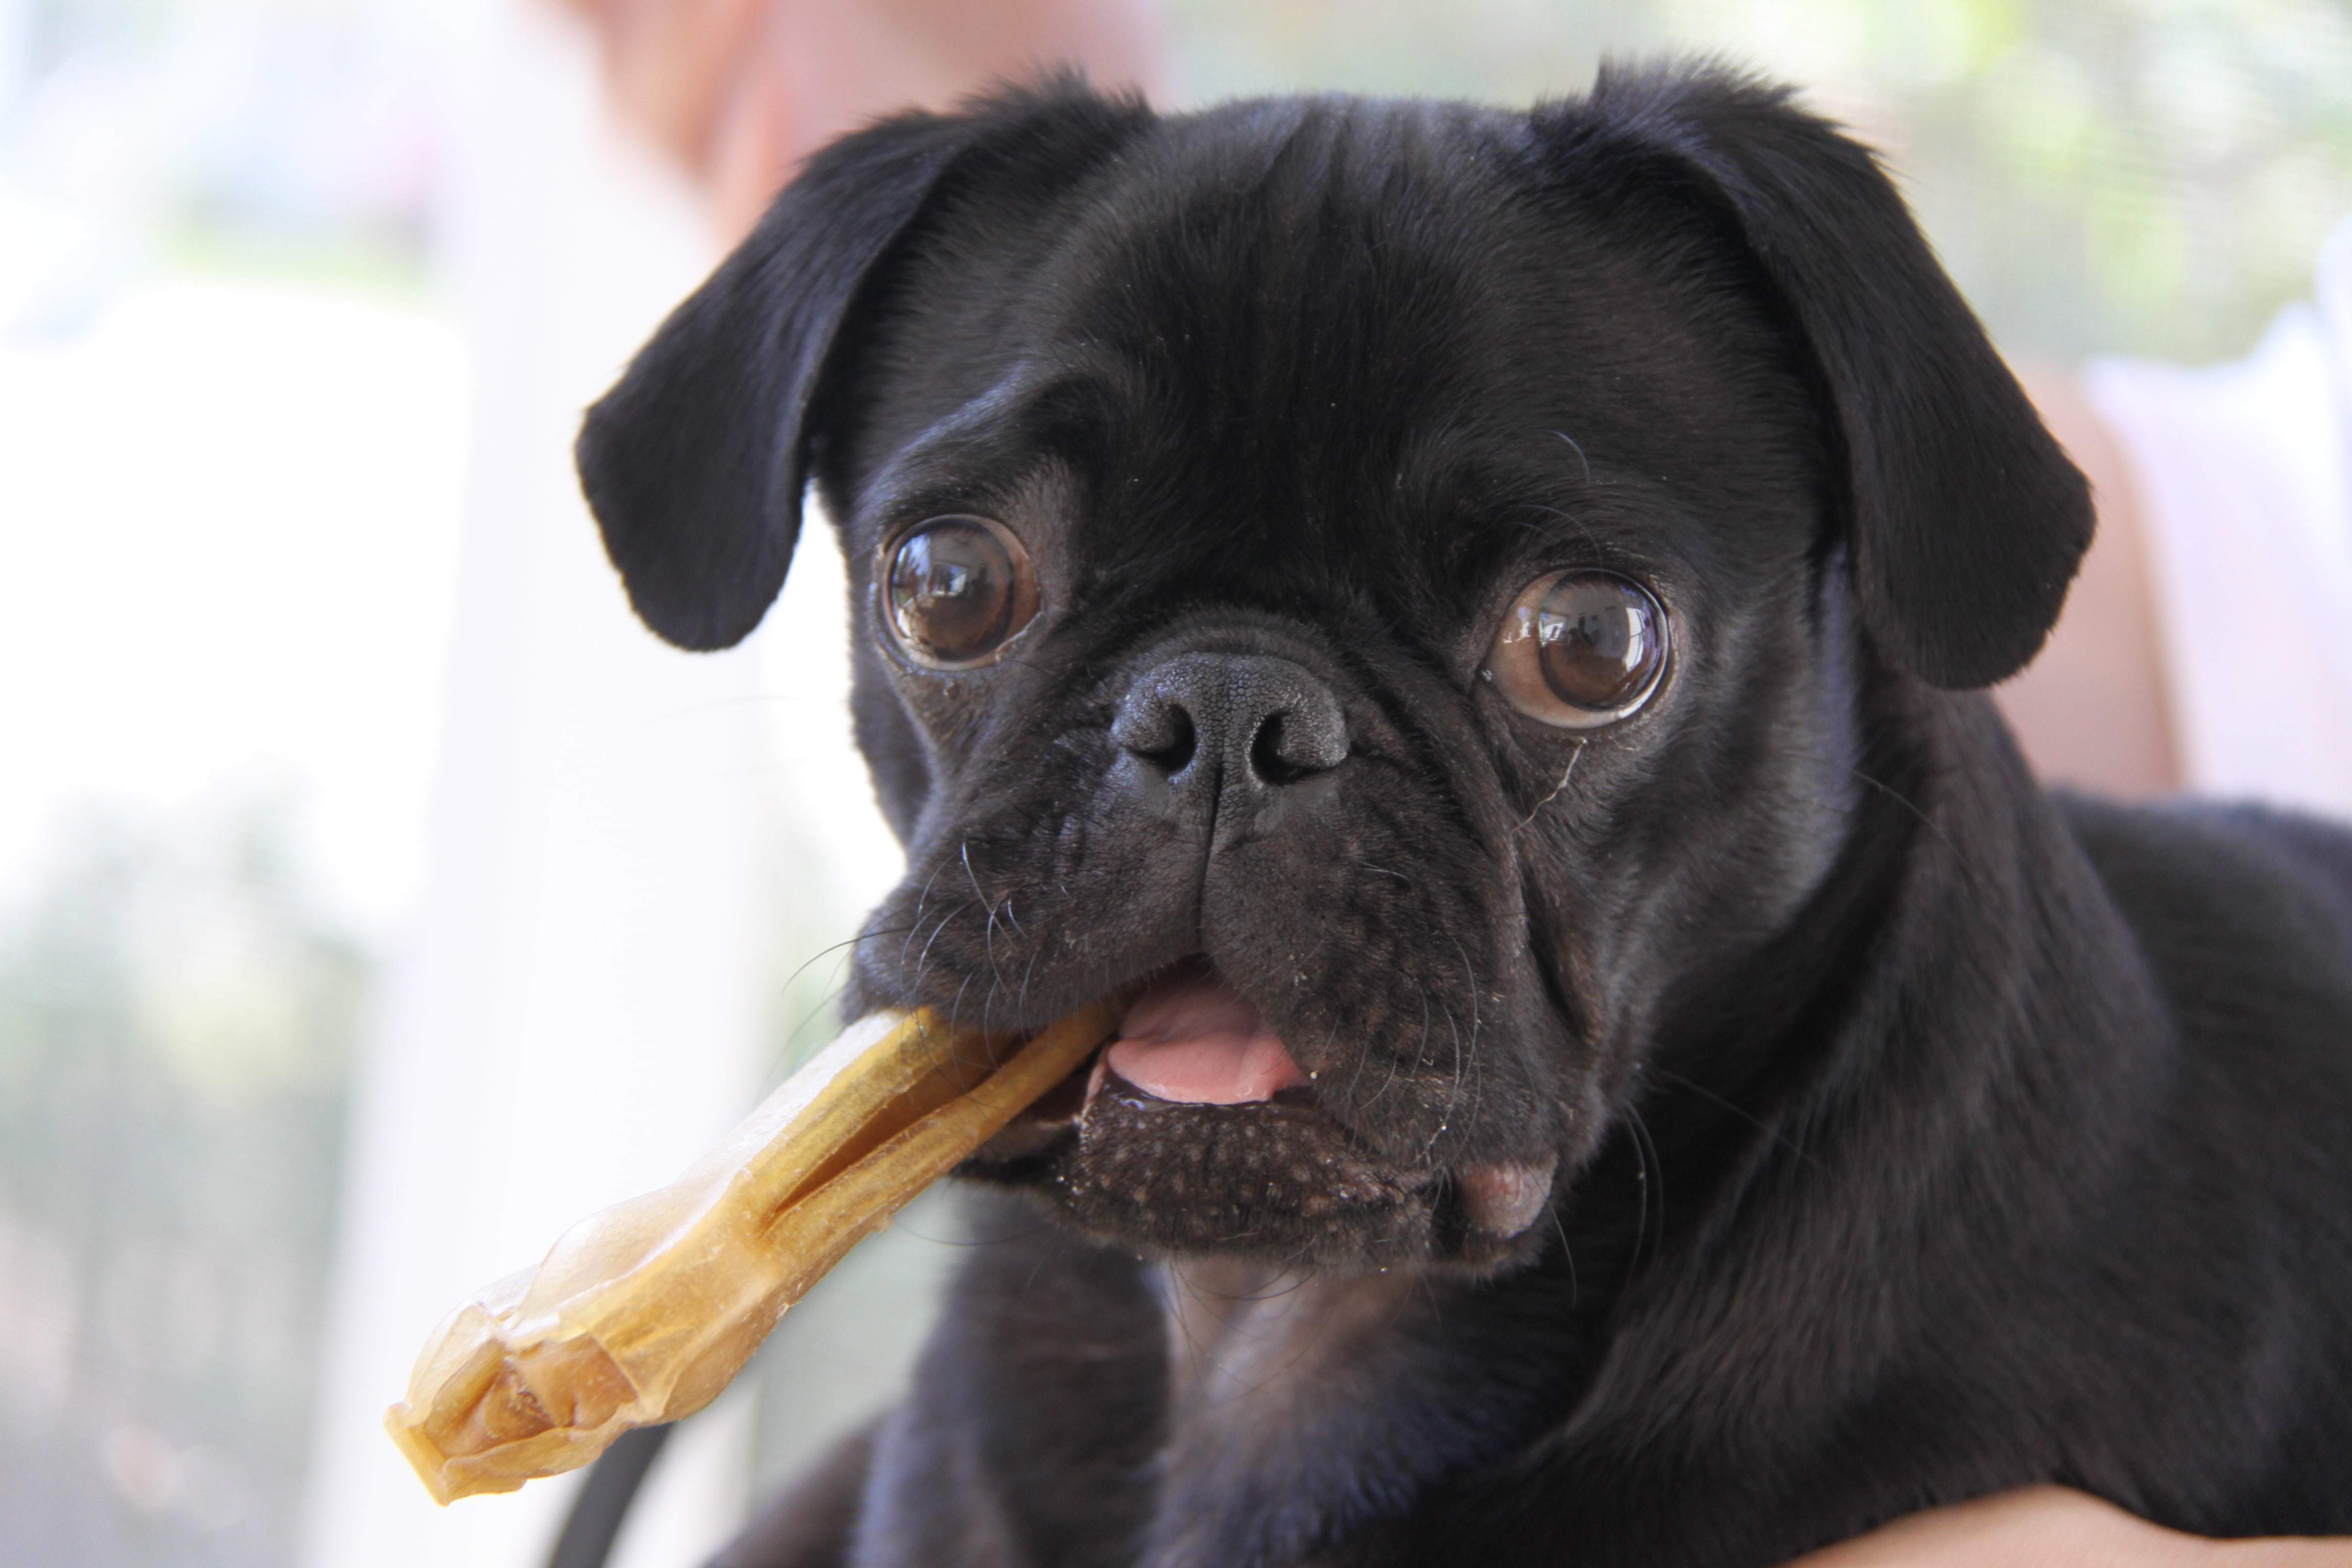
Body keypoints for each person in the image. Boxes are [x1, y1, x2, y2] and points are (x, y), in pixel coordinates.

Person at [554, 2, 2352, 1561]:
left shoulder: (2121, 1390)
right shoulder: (1028, 1410)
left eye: (1577, 649)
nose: (1222, 766)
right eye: (967, 597)